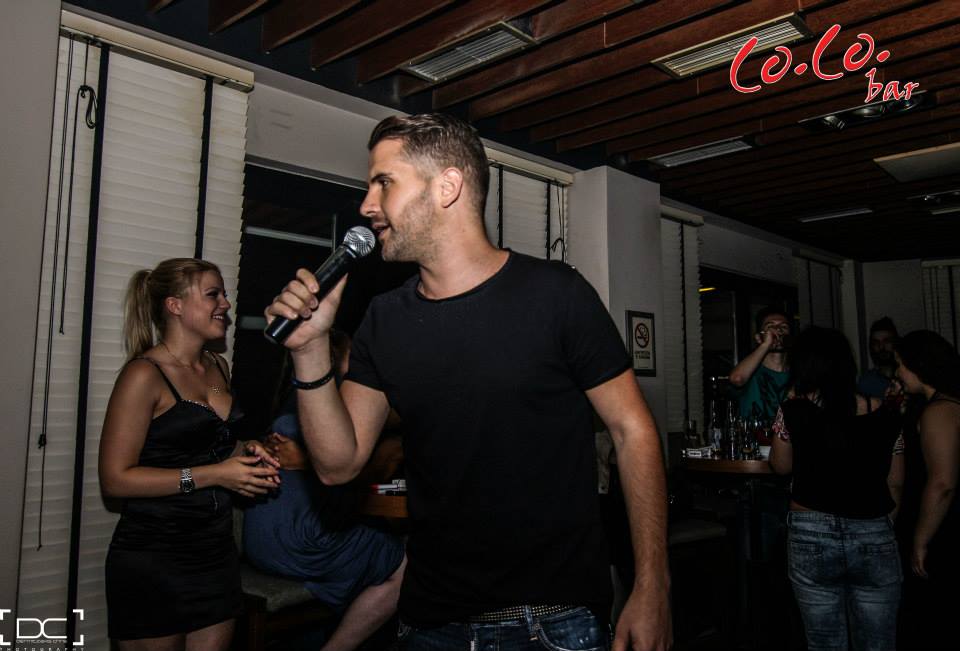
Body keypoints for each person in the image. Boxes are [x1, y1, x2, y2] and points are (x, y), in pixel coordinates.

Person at [265, 113, 671, 651]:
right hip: (429, 621)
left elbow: (632, 430)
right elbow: (338, 464)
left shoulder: (555, 294)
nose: (366, 205)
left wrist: (652, 583)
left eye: (384, 182)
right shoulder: (385, 319)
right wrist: (311, 350)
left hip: (552, 619)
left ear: (447, 186)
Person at [99, 258, 281, 650]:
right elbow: (115, 480)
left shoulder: (216, 368)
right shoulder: (144, 375)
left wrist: (247, 450)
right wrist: (215, 474)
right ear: (175, 305)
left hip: (215, 556)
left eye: (225, 294)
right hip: (154, 557)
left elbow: (214, 437)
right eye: (213, 294)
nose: (226, 304)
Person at [242, 330, 406, 651]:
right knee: (412, 564)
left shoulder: (295, 399)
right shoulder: (330, 409)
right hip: (299, 543)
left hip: (259, 544)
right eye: (357, 356)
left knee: (369, 533)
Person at [768, 326, 904, 651]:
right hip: (873, 528)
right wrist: (884, 527)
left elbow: (780, 466)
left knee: (824, 643)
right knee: (878, 643)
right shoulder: (887, 413)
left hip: (810, 530)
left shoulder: (793, 410)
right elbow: (896, 481)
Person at [893, 330, 960, 650]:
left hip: (942, 527)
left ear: (918, 365)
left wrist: (921, 539)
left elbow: (941, 482)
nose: (897, 372)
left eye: (900, 364)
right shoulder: (938, 405)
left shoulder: (940, 410)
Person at [730, 306, 792, 421]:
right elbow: (737, 378)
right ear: (758, 338)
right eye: (770, 327)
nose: (778, 330)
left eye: (784, 327)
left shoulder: (798, 373)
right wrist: (766, 344)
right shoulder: (751, 371)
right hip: (753, 432)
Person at [857, 317, 899, 398]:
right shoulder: (866, 383)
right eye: (876, 343)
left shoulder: (908, 378)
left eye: (886, 341)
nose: (881, 347)